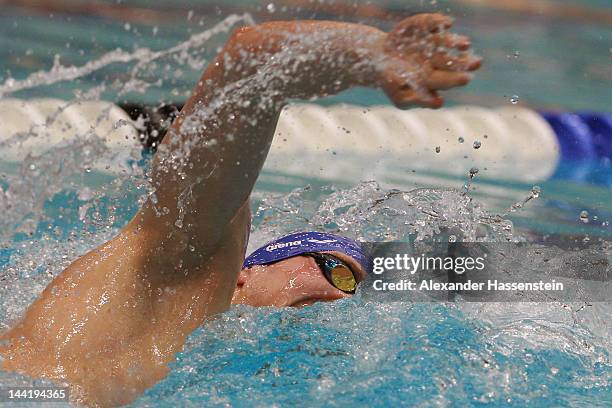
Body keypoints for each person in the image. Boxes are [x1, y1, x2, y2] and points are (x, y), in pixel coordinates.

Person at [0, 14, 481, 406]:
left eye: (355, 286)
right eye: (335, 269)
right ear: (244, 273)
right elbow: (250, 61)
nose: (342, 296)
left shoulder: (199, 363)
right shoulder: (183, 264)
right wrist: (371, 56)